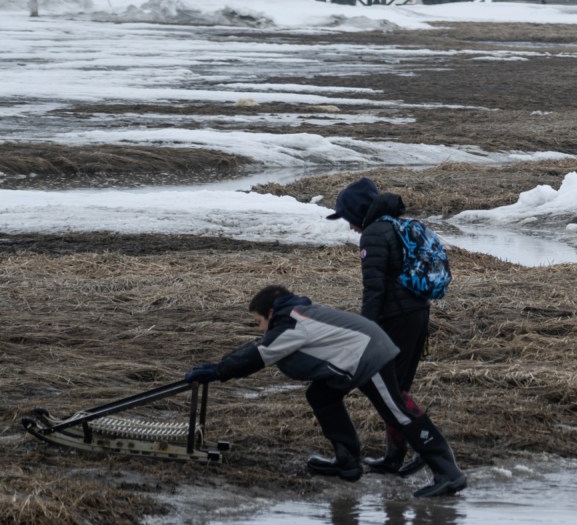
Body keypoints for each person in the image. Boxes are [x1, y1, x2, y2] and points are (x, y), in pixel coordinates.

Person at [185, 284, 467, 499]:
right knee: (321, 395)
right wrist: (219, 366)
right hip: (360, 354)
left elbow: (262, 353)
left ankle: (447, 472)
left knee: (396, 411)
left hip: (370, 355)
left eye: (259, 321)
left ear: (270, 312)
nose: (260, 327)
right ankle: (347, 461)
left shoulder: (293, 322)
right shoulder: (294, 315)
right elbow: (263, 345)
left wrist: (219, 371)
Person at [327, 177, 440, 475]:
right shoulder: (394, 226)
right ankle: (396, 457)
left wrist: (365, 330)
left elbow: (374, 291)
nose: (350, 226)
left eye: (349, 218)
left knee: (393, 392)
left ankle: (428, 450)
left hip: (397, 319)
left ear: (359, 211)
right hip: (416, 314)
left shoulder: (374, 234)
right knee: (397, 389)